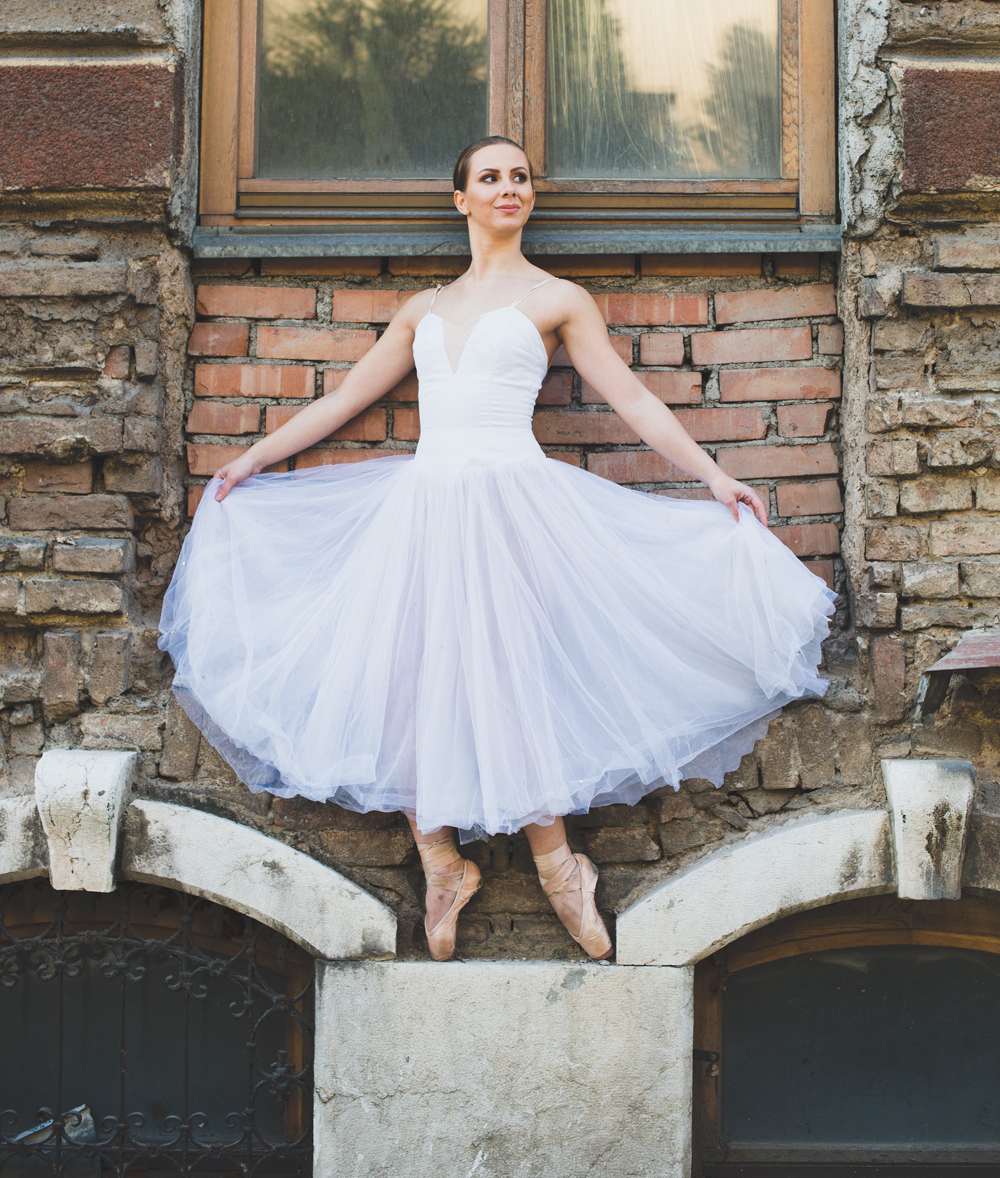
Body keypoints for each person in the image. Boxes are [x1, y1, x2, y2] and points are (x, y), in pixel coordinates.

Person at [159, 136, 833, 962]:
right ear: (461, 200)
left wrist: (713, 475)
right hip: (425, 506)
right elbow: (345, 398)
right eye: (490, 178)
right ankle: (440, 861)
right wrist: (253, 459)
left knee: (509, 669)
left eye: (519, 178)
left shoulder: (559, 298)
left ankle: (561, 869)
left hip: (513, 500)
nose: (507, 188)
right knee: (407, 675)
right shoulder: (423, 310)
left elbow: (626, 395)